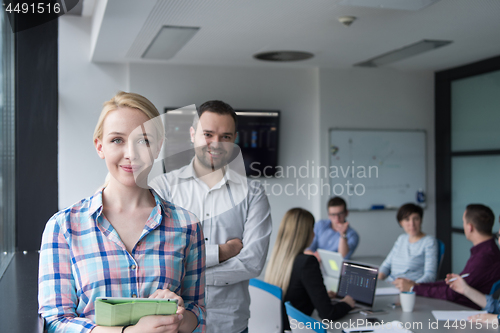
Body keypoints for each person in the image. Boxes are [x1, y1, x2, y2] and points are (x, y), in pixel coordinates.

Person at [38, 92, 205, 333]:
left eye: (143, 141)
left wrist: (179, 316)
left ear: (158, 148)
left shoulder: (187, 225)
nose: (131, 153)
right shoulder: (63, 227)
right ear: (100, 146)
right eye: (117, 140)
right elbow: (55, 321)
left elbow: (198, 311)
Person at [151, 100, 272, 333]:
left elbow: (253, 262)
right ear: (193, 134)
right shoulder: (163, 188)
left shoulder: (253, 193)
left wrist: (190, 274)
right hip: (175, 324)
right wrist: (223, 252)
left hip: (230, 324)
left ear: (234, 139)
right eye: (208, 134)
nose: (216, 143)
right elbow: (160, 256)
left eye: (225, 136)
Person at [394, 204, 500, 310]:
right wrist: (418, 286)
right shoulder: (487, 251)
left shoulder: (484, 256)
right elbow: (457, 284)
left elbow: (453, 292)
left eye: (463, 222)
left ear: (469, 227)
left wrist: (414, 288)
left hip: (462, 310)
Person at [265, 208, 355, 332]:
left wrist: (321, 297)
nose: (314, 233)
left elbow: (294, 293)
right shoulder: (307, 262)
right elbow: (328, 314)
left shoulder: (277, 259)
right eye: (312, 228)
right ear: (305, 233)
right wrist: (347, 303)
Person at [378, 203, 438, 286]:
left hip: (410, 290)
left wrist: (411, 286)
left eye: (416, 219)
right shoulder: (401, 239)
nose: (412, 224)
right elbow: (386, 265)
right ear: (401, 222)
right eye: (407, 219)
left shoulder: (429, 241)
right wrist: (377, 280)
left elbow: (430, 276)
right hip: (390, 285)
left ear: (421, 220)